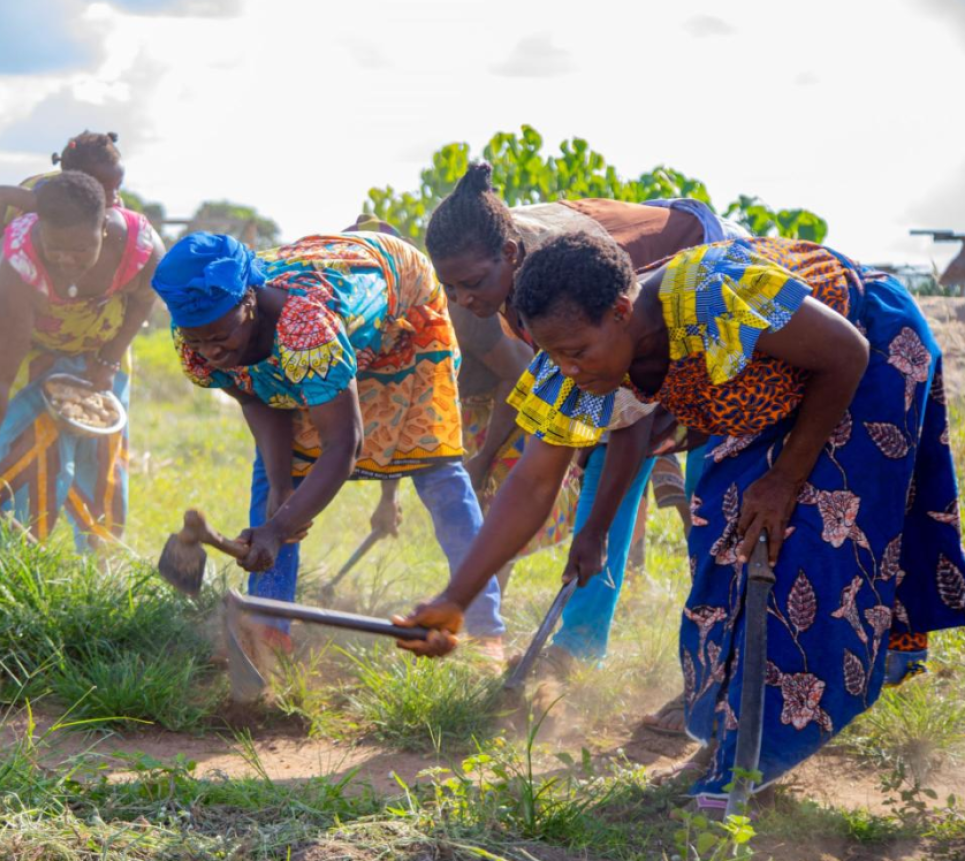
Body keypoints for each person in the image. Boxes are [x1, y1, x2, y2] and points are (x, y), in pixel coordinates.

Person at [398, 231, 965, 813]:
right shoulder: (580, 360)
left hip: (866, 352)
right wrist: (455, 598)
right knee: (724, 544)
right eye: (555, 355)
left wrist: (785, 479)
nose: (567, 368)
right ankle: (730, 739)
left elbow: (846, 353)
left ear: (621, 312)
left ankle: (758, 757)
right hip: (760, 396)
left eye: (576, 352)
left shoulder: (711, 292)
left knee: (814, 547)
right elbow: (534, 482)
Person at [420, 162, 744, 668]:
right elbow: (549, 446)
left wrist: (592, 524)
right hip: (633, 356)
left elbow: (625, 421)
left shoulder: (575, 286)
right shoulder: (510, 283)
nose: (462, 299)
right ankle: (578, 648)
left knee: (718, 499)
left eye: (471, 284)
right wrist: (454, 598)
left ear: (510, 255)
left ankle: (717, 662)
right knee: (601, 480)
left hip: (717, 327)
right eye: (451, 289)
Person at [150, 230, 505, 656]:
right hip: (316, 324)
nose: (209, 351)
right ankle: (267, 629)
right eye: (197, 340)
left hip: (402, 299)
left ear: (248, 300)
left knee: (435, 466)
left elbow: (343, 444)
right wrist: (283, 492)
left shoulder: (305, 330)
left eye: (219, 336)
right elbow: (253, 394)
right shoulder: (195, 328)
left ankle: (485, 632)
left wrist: (279, 529)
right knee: (274, 481)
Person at [0, 171, 163, 546]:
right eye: (55, 248)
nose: (66, 260)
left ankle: (99, 568)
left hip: (102, 354)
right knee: (26, 456)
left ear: (103, 227)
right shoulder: (18, 270)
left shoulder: (141, 247)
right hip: (34, 351)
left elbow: (143, 299)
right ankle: (10, 562)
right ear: (39, 228)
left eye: (80, 250)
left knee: (101, 466)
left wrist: (109, 359)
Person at [0, 131, 126, 334]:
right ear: (77, 181)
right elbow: (1, 194)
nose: (114, 196)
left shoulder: (115, 207)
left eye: (118, 186)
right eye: (105, 189)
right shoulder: (43, 197)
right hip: (12, 226)